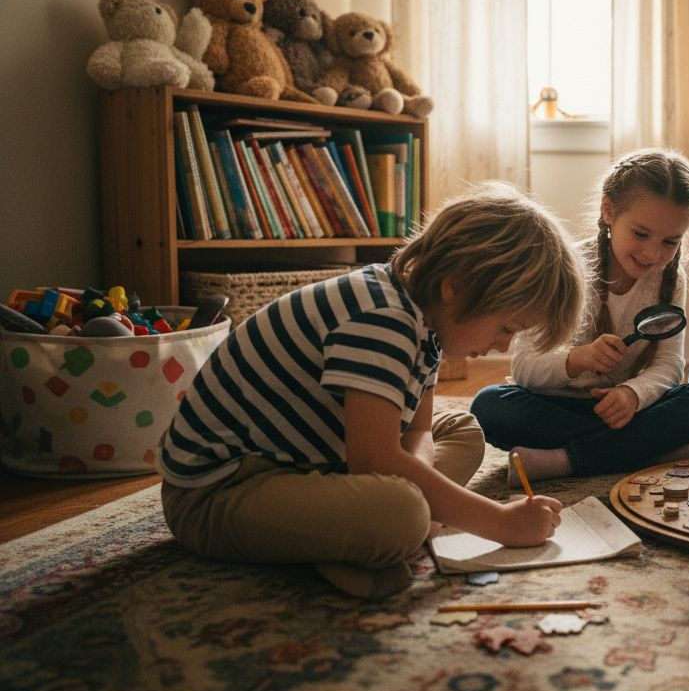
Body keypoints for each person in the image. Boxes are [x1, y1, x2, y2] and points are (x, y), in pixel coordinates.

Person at [158, 182, 587, 598]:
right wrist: (501, 523)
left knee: (462, 430)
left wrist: (412, 486)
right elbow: (374, 459)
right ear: (457, 286)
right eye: (506, 327)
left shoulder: (424, 321)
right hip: (216, 493)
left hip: (310, 463)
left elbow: (417, 432)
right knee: (402, 515)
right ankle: (357, 538)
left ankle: (348, 538)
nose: (502, 345)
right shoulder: (381, 318)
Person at [472, 149, 689, 483]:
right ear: (608, 211)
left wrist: (632, 394)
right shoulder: (565, 269)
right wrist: (578, 359)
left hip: (626, 412)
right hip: (556, 408)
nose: (653, 253)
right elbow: (524, 368)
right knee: (489, 407)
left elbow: (668, 365)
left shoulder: (670, 280)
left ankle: (565, 461)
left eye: (670, 242)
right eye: (640, 234)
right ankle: (649, 452)